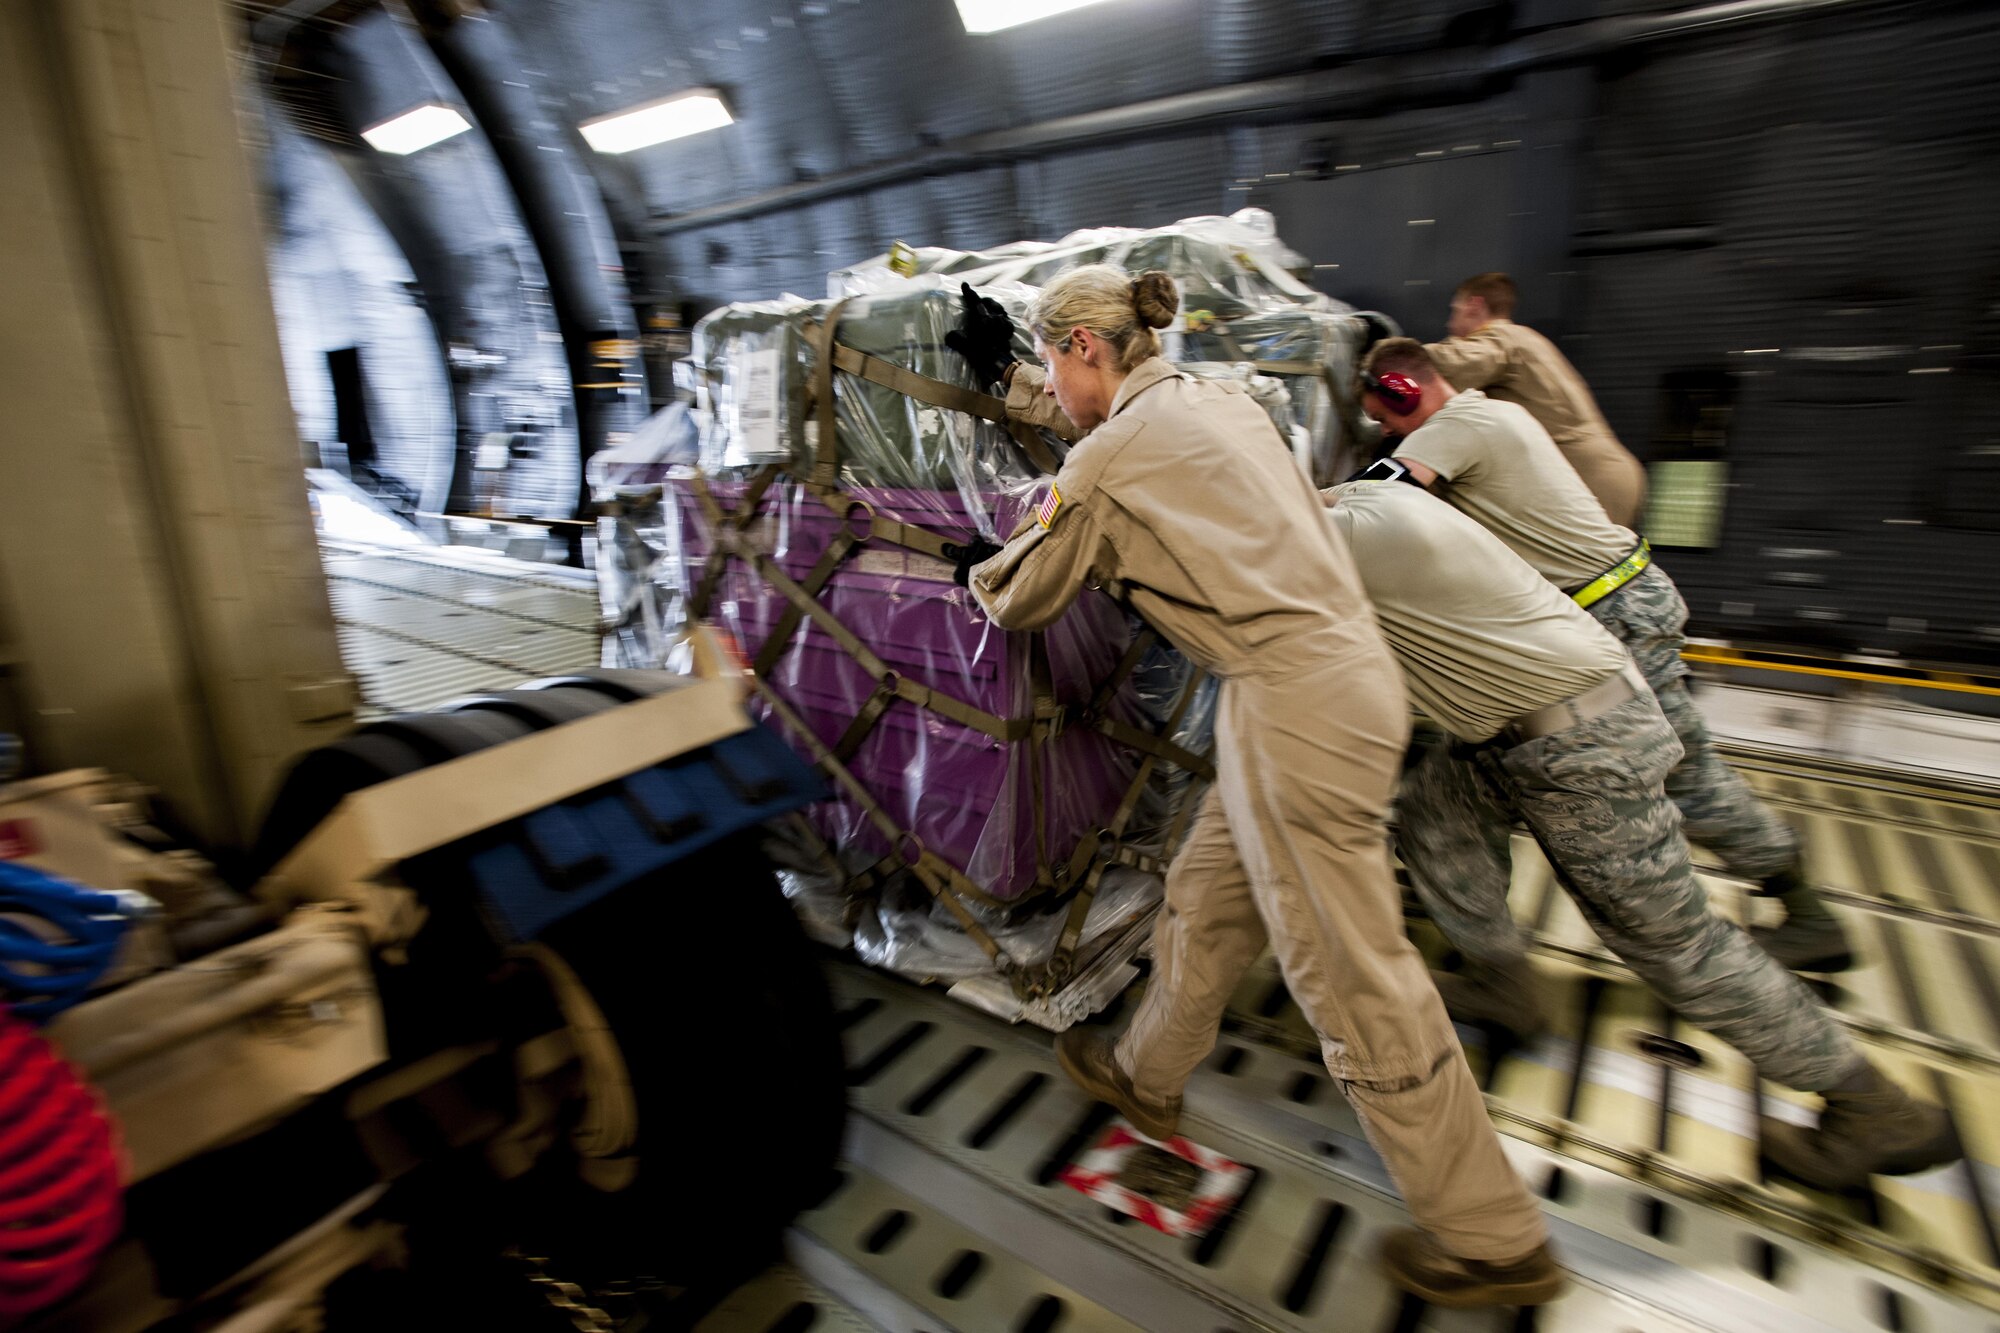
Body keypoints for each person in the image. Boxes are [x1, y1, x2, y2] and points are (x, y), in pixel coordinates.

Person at [946, 272, 1561, 1308]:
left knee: (1348, 973)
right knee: (1210, 891)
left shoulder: (1109, 459)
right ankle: (1145, 1070)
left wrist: (976, 563)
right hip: (1321, 681)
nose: (1053, 377)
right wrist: (1008, 377)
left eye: (1054, 357)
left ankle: (1491, 1235)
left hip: (1297, 706)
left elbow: (1020, 592)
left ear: (1088, 347)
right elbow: (1103, 423)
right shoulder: (1210, 396)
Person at [1321, 473, 1960, 1188]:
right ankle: (1505, 984)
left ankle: (1875, 1109)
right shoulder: (1366, 500)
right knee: (1438, 814)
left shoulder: (1334, 533)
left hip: (1580, 744)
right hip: (1514, 731)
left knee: (1675, 941)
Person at [1358, 338, 1850, 976]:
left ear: (1405, 389)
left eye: (1385, 416)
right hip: (1617, 607)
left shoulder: (1461, 424)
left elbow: (1381, 497)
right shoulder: (1491, 418)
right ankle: (1486, 957)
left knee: (1678, 780)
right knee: (1458, 792)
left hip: (1612, 619)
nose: (1385, 432)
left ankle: (1805, 920)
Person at [1423, 273, 1647, 528]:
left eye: (1455, 311)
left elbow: (1453, 363)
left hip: (1588, 478)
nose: (1450, 324)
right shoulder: (1529, 339)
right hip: (1614, 473)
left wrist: (1390, 353)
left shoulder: (1500, 338)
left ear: (1474, 306)